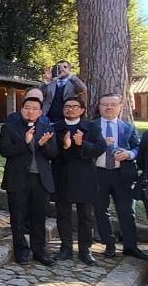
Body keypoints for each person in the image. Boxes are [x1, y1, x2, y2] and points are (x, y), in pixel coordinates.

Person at [0, 97, 58, 266]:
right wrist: (25, 143)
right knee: (17, 217)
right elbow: (5, 151)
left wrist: (43, 145)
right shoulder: (10, 127)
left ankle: (39, 251)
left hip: (41, 179)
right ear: (22, 109)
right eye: (27, 108)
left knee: (39, 217)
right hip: (18, 179)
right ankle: (22, 252)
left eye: (34, 108)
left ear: (40, 112)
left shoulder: (47, 129)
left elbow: (54, 154)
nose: (30, 111)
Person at [93, 94, 148, 260]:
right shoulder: (91, 126)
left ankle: (130, 247)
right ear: (100, 106)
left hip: (122, 175)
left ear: (120, 107)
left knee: (126, 211)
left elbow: (139, 147)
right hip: (98, 173)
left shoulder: (128, 127)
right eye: (105, 104)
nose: (108, 107)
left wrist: (129, 154)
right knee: (101, 211)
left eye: (112, 104)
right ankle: (109, 245)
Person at [52, 97, 105, 266]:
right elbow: (50, 151)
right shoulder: (56, 127)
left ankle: (85, 250)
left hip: (85, 176)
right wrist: (65, 146)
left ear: (82, 110)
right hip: (62, 176)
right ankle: (66, 248)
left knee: (86, 216)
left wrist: (82, 144)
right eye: (67, 106)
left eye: (75, 106)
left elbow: (100, 148)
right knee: (63, 215)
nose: (70, 109)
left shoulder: (91, 127)